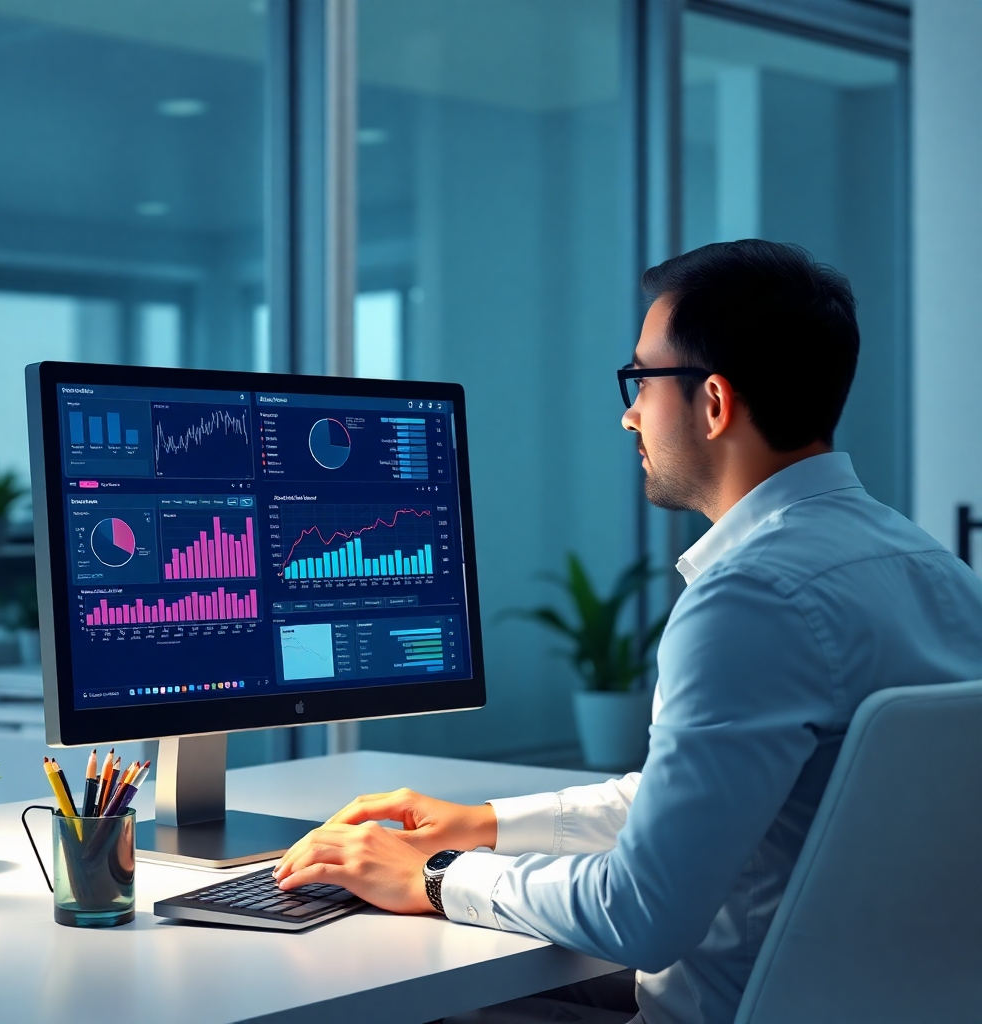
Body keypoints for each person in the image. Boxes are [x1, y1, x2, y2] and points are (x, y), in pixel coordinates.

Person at [273, 240, 982, 1024]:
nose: (628, 412)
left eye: (642, 380)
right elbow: (715, 796)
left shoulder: (751, 598)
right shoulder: (931, 568)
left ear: (713, 403)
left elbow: (642, 912)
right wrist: (487, 824)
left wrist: (437, 875)